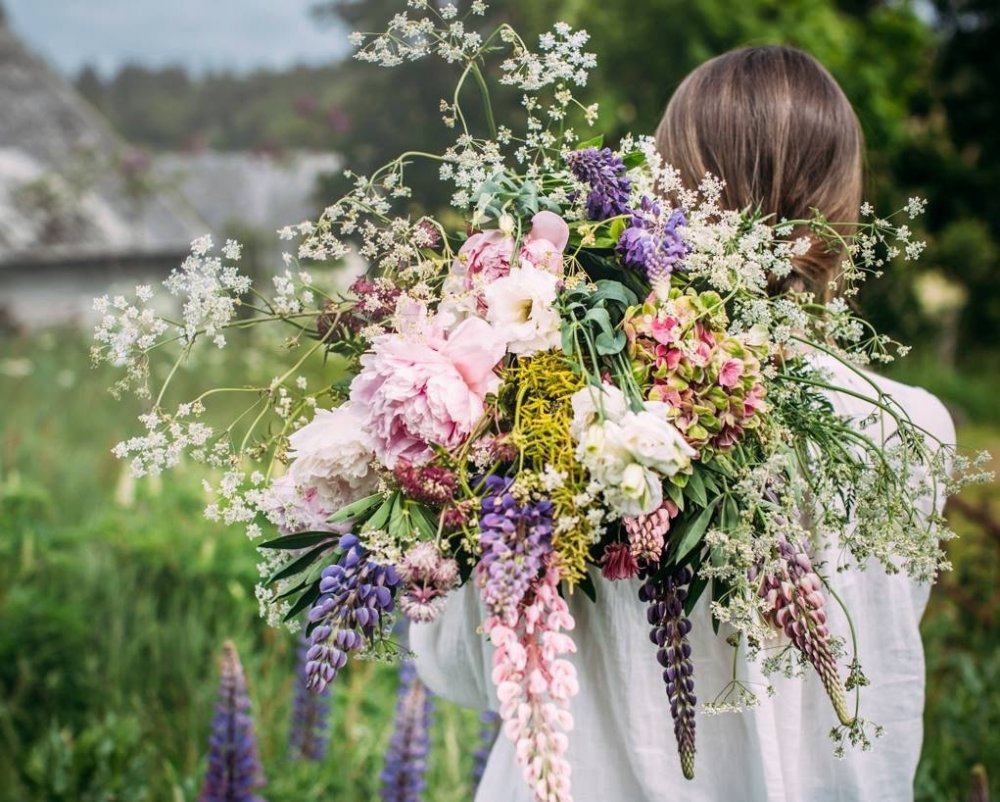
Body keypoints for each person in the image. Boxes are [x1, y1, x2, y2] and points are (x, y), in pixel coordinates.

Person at [412, 46, 955, 802]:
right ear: (842, 208)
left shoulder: (569, 398)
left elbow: (463, 672)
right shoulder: (916, 430)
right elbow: (884, 659)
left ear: (668, 188)